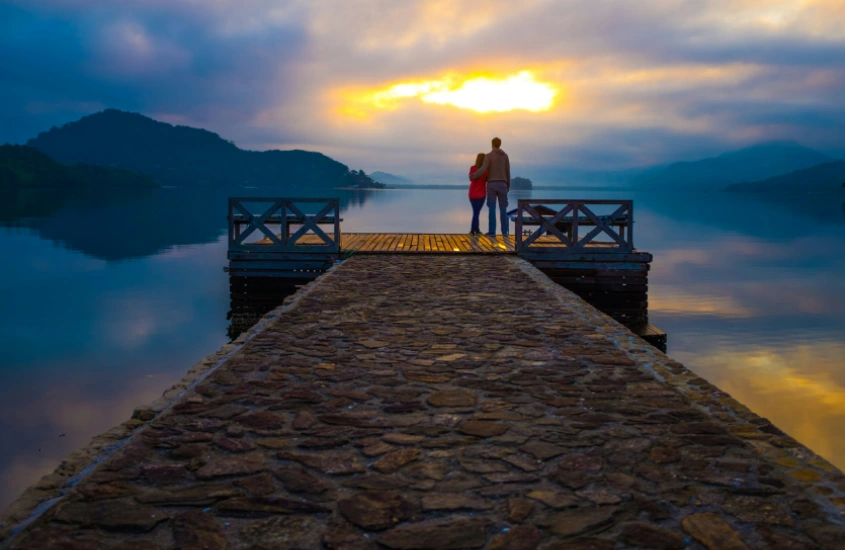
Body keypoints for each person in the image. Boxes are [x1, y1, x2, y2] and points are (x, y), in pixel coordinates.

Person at [469, 137, 510, 237]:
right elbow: (508, 171)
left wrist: (474, 175)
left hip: (491, 184)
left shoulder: (488, 156)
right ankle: (504, 232)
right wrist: (508, 185)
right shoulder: (505, 156)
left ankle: (492, 232)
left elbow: (483, 169)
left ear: (492, 144)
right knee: (503, 208)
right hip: (503, 184)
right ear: (500, 144)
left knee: (492, 208)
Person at [468, 153, 487, 235]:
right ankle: (473, 230)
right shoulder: (486, 170)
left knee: (476, 212)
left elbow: (471, 179)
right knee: (476, 212)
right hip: (481, 194)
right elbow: (487, 179)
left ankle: (476, 230)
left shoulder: (472, 168)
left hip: (472, 194)